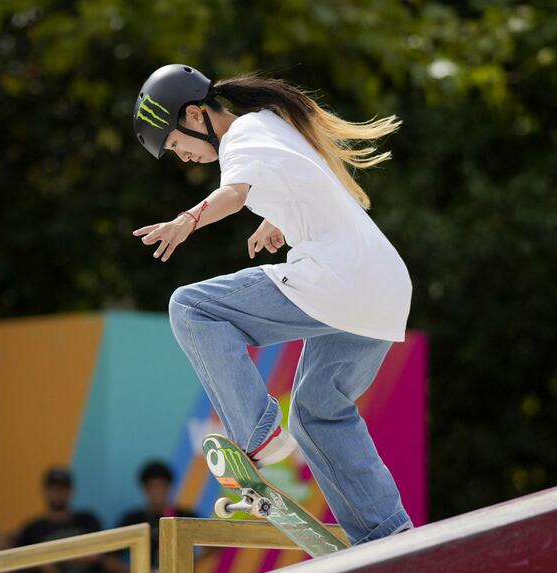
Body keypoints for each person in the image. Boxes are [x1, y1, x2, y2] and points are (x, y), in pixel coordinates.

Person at [132, 65, 413, 545]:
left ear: (196, 115)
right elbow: (312, 185)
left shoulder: (242, 135)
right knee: (317, 410)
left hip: (338, 281)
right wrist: (279, 219)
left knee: (193, 308)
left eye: (181, 146)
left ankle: (257, 432)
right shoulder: (273, 127)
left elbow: (233, 194)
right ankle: (386, 534)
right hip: (383, 292)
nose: (187, 159)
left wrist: (186, 221)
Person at [12, 467, 120, 573]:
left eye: (63, 489)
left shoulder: (87, 520)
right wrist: (39, 566)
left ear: (71, 491)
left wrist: (53, 559)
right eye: (54, 489)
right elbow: (17, 564)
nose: (59, 494)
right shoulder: (33, 529)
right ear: (45, 492)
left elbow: (98, 554)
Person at [110, 460, 197, 573]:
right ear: (144, 489)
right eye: (152, 486)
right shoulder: (132, 519)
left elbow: (213, 544)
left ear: (169, 487)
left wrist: (187, 564)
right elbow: (110, 561)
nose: (157, 490)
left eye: (161, 486)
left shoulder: (184, 516)